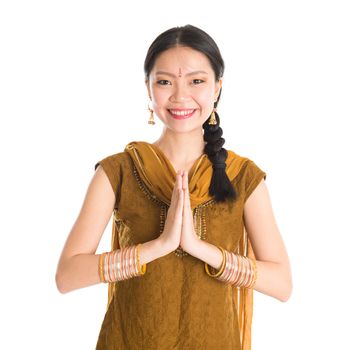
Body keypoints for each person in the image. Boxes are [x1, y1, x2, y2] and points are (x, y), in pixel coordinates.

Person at [55, 24, 293, 350]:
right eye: (165, 81)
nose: (180, 96)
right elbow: (66, 276)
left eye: (196, 81)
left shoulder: (242, 176)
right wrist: (157, 247)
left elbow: (282, 284)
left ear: (217, 88)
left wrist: (200, 248)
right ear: (148, 88)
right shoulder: (119, 171)